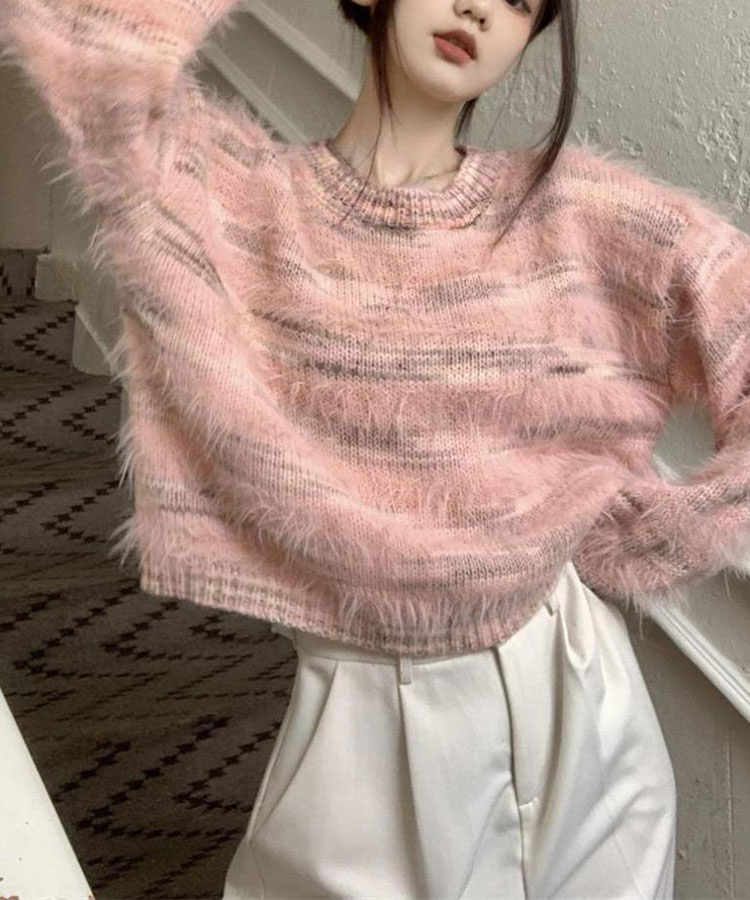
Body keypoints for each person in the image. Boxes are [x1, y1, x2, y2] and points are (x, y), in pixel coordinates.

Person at [2, 0, 749, 897]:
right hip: (364, 726)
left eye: (520, 2)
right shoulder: (238, 202)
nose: (479, 8)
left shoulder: (573, 210)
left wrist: (668, 532)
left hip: (580, 690)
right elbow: (90, 39)